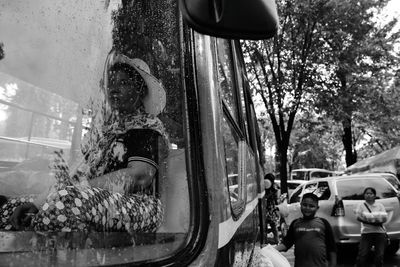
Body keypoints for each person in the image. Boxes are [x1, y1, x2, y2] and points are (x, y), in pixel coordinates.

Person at [0, 49, 168, 233]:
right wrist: (39, 202)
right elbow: (78, 174)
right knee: (10, 207)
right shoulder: (106, 133)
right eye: (110, 83)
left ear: (139, 91)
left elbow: (140, 176)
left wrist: (79, 189)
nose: (114, 89)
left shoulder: (147, 130)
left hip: (141, 207)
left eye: (124, 83)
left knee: (64, 203)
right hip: (93, 197)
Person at [275, 192, 337, 267]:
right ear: (300, 205)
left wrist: (332, 265)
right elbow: (286, 244)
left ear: (317, 208)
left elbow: (332, 248)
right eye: (305, 205)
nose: (307, 208)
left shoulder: (323, 223)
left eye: (311, 206)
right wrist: (270, 250)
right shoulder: (295, 223)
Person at [355, 187, 388, 267]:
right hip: (366, 233)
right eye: (367, 193)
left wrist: (373, 219)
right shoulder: (361, 205)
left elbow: (384, 218)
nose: (368, 195)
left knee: (379, 255)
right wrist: (371, 219)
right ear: (364, 195)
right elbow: (358, 217)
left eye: (371, 193)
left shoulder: (380, 205)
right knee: (362, 255)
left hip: (380, 233)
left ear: (374, 195)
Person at [264, 173, 280, 244]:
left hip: (268, 208)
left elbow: (275, 198)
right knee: (272, 225)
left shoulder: (273, 188)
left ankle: (276, 240)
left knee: (271, 225)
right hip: (269, 209)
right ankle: (276, 240)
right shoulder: (264, 186)